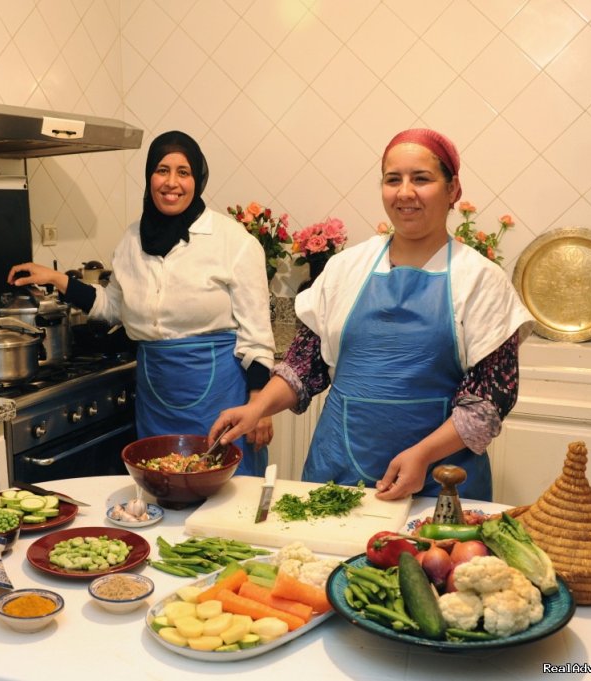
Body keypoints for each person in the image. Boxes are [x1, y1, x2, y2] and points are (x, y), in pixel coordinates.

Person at [209, 128, 534, 501]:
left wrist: (423, 456)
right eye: (393, 179)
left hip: (438, 482)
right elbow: (304, 366)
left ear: (453, 189)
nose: (405, 192)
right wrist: (257, 407)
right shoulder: (346, 268)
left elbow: (488, 404)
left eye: (422, 179)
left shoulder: (480, 280)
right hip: (337, 471)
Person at [8, 130, 275, 476]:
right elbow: (114, 306)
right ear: (149, 176)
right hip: (156, 396)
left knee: (225, 496)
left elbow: (258, 337)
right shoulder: (132, 240)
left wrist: (259, 406)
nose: (171, 183)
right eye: (162, 170)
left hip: (220, 399)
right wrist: (59, 280)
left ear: (198, 179)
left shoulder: (233, 242)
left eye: (183, 172)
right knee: (163, 491)